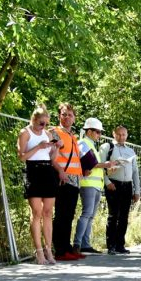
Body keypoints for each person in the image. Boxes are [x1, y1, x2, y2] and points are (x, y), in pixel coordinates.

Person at [16, 104, 59, 265]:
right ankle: (39, 251)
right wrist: (38, 146)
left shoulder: (47, 134)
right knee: (37, 212)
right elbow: (21, 156)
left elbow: (53, 157)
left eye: (46, 124)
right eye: (42, 123)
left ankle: (48, 249)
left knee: (48, 212)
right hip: (33, 171)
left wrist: (55, 147)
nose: (44, 127)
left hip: (47, 170)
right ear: (34, 119)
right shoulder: (25, 133)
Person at [73, 117, 117, 254]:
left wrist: (106, 167)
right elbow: (90, 164)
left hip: (96, 185)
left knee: (90, 215)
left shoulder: (91, 145)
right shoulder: (83, 143)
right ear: (90, 131)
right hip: (88, 184)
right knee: (87, 214)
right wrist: (107, 165)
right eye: (98, 132)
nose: (99, 135)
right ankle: (77, 243)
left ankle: (85, 244)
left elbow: (93, 165)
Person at [52, 103, 86, 261]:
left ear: (74, 118)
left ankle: (67, 247)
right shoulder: (54, 133)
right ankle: (59, 250)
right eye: (64, 114)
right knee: (61, 215)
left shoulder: (73, 136)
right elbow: (51, 156)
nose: (66, 117)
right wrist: (60, 171)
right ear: (59, 115)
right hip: (63, 179)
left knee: (69, 215)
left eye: (70, 115)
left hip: (75, 180)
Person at [102, 125, 141, 254]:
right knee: (113, 215)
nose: (121, 137)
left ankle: (120, 245)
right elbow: (101, 166)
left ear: (127, 135)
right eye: (119, 134)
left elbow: (135, 172)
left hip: (127, 185)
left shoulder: (131, 151)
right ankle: (111, 245)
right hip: (113, 184)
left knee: (124, 216)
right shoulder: (108, 147)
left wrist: (137, 191)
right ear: (114, 134)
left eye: (124, 134)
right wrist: (107, 182)